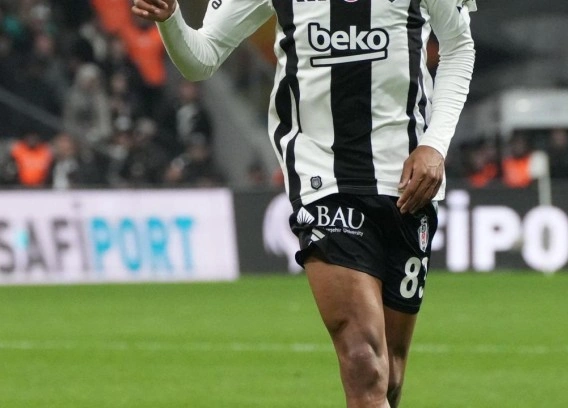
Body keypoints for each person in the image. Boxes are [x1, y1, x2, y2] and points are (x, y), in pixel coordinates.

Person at [132, 1, 475, 407]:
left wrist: (434, 145)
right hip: (323, 179)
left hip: (407, 182)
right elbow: (201, 58)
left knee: (390, 376)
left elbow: (458, 45)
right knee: (363, 361)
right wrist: (171, 19)